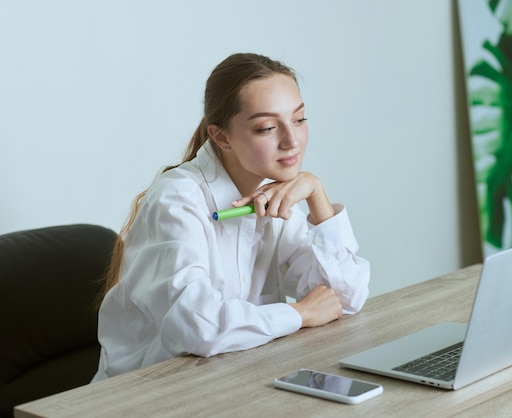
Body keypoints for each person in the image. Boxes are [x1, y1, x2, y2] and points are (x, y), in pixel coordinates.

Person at [92, 53, 370, 381]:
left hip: (234, 381)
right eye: (267, 127)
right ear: (222, 137)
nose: (291, 140)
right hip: (148, 394)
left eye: (299, 119)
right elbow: (196, 327)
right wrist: (300, 313)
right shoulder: (176, 199)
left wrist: (316, 194)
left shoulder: (276, 192)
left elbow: (344, 298)